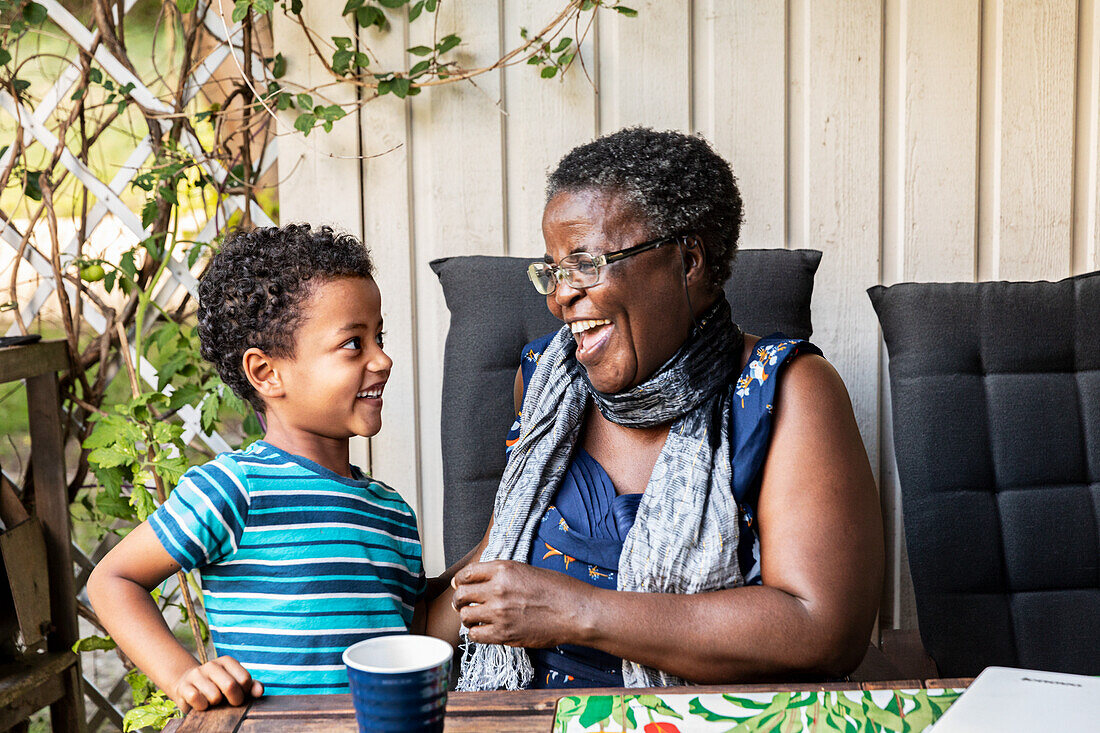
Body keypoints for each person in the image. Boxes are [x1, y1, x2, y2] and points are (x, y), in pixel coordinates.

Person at [433, 128, 884, 689]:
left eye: (586, 265)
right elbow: (504, 544)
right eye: (553, 272)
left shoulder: (787, 391)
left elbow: (823, 630)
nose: (560, 297)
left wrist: (579, 611)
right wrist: (378, 626)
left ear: (688, 260)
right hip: (522, 717)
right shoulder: (547, 380)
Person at [88, 224, 425, 711]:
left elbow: (410, 634)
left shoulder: (392, 513)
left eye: (379, 337)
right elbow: (112, 581)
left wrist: (495, 546)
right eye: (354, 343)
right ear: (267, 373)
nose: (383, 359)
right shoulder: (235, 489)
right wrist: (185, 676)